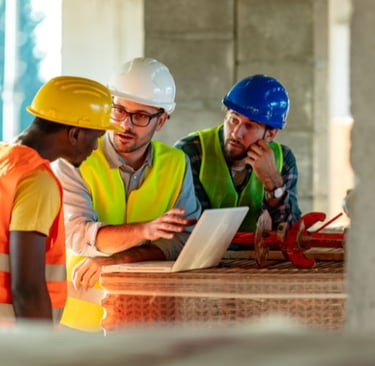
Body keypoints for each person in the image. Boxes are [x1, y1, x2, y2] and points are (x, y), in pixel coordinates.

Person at [52, 57, 201, 332]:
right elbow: (77, 235)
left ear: (162, 120)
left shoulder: (176, 163)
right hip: (78, 318)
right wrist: (146, 232)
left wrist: (120, 259)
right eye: (118, 110)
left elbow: (184, 243)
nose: (124, 124)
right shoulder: (74, 158)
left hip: (148, 318)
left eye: (140, 116)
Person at [0, 75, 120, 326]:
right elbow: (27, 289)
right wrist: (43, 353)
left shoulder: (5, 160)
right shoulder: (36, 182)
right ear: (75, 133)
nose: (96, 147)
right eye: (96, 136)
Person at [174, 74, 302, 249]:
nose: (236, 133)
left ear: (271, 134)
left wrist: (273, 182)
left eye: (250, 126)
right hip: (201, 265)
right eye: (233, 120)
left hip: (260, 268)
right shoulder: (191, 152)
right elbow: (191, 231)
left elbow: (292, 236)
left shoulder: (283, 160)